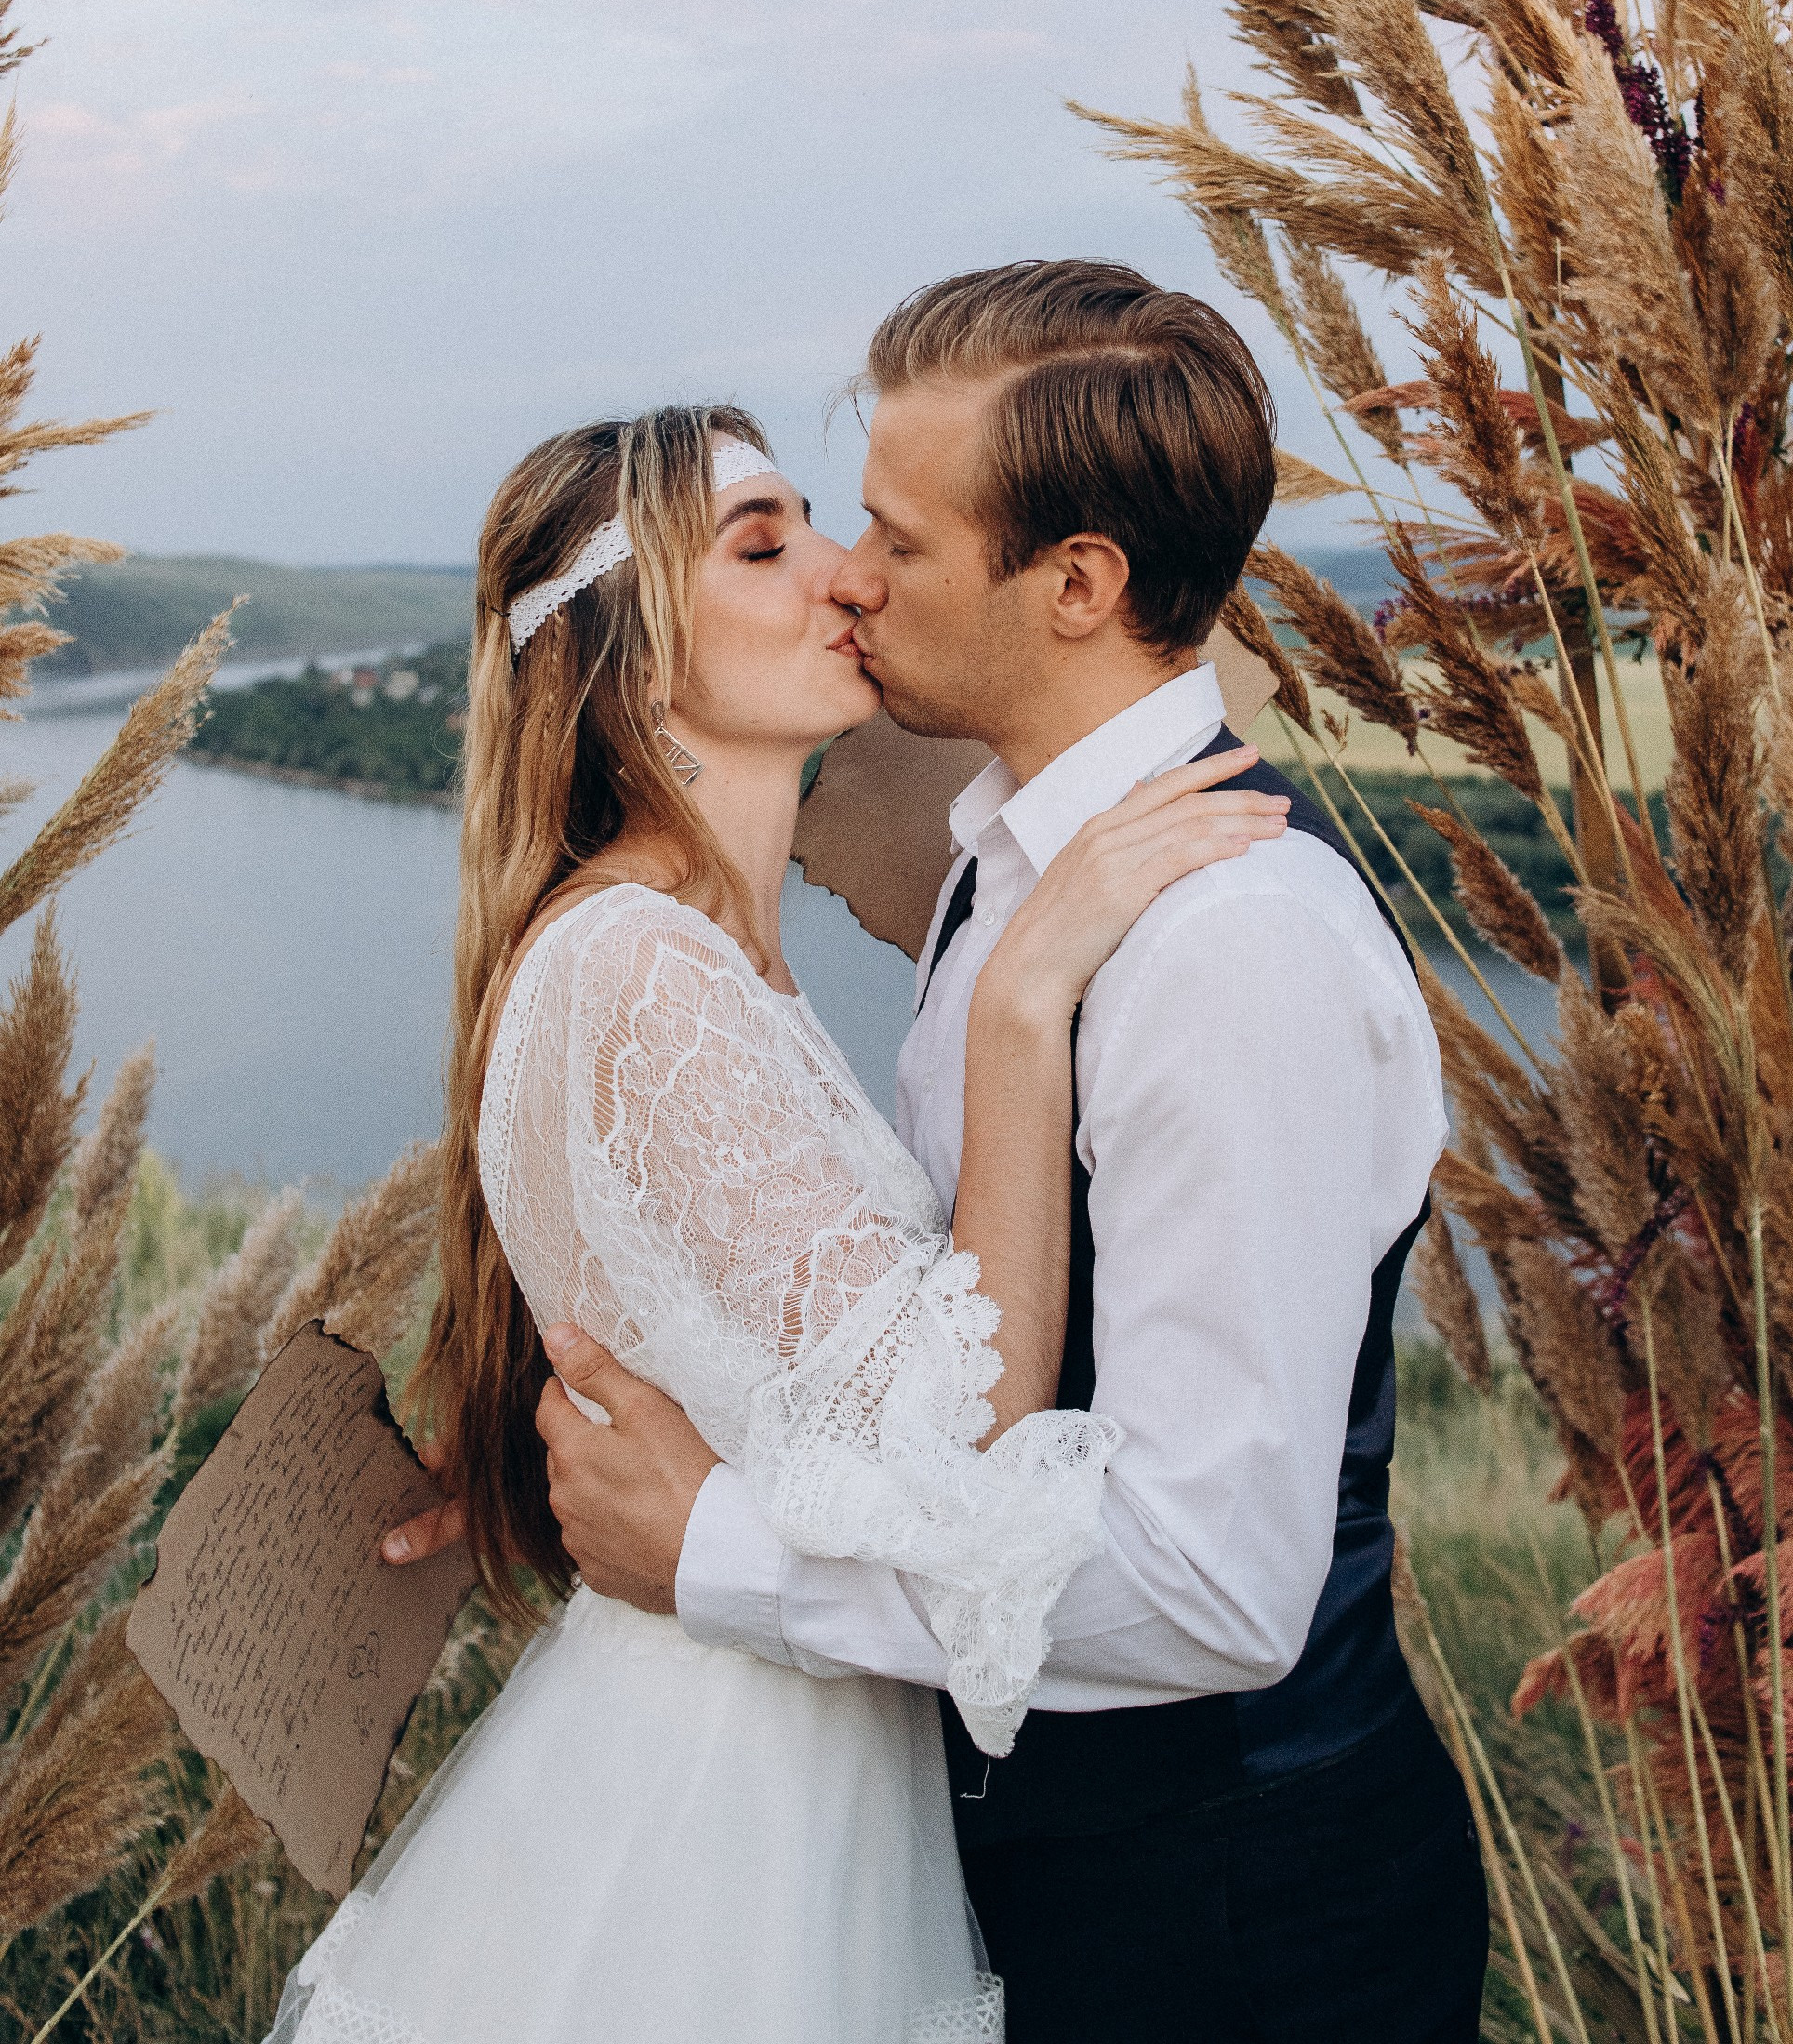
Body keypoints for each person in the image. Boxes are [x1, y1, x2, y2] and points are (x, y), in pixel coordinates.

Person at [459, 262, 1491, 2042]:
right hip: (1002, 1884)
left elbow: (1215, 1585)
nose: (854, 577)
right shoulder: (1007, 893)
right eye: (802, 536)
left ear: (1077, 585)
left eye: (893, 537)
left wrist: (714, 1548)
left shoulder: (1222, 947)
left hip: (1232, 1924)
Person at [272, 400, 1289, 2044]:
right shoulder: (642, 972)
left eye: (830, 525)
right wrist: (1030, 1002)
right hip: (722, 1830)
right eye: (765, 545)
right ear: (631, 657)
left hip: (758, 1755)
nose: (845, 579)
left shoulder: (690, 955)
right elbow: (950, 1446)